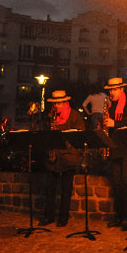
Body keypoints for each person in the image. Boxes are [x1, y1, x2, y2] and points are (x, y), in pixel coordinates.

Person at [38, 90, 85, 227]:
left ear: (65, 102)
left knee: (66, 189)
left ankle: (63, 217)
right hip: (53, 156)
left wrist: (66, 139)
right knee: (50, 188)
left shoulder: (74, 115)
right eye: (55, 103)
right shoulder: (50, 116)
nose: (56, 106)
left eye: (59, 103)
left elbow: (80, 134)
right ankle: (49, 216)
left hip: (68, 156)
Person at [103, 77, 127, 231]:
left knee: (126, 183)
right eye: (110, 90)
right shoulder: (109, 106)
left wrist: (115, 123)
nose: (111, 92)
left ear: (121, 89)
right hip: (114, 147)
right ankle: (119, 216)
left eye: (114, 89)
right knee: (117, 184)